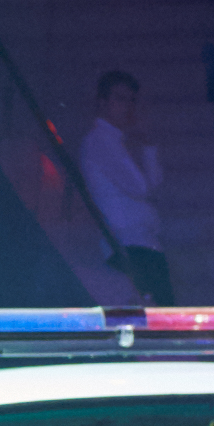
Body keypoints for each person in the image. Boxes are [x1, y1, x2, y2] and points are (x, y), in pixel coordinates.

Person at [79, 69, 168, 301]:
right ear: (102, 102)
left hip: (141, 245)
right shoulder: (101, 141)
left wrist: (147, 146)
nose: (127, 106)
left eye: (131, 100)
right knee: (156, 321)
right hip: (129, 245)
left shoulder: (116, 141)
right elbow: (141, 188)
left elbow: (152, 186)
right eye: (120, 98)